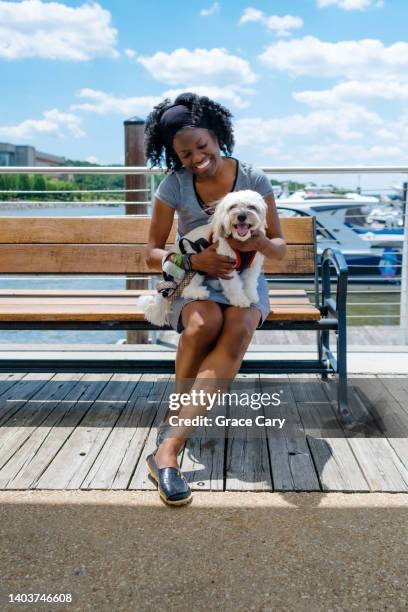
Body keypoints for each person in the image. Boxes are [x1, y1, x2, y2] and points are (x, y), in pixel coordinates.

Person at [144, 92, 287, 506]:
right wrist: (196, 257)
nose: (196, 157)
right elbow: (152, 252)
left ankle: (168, 447)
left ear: (218, 136)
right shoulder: (174, 185)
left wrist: (256, 238)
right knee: (204, 323)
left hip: (246, 277)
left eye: (202, 146)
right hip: (195, 278)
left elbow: (278, 248)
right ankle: (178, 423)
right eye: (185, 153)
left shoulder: (254, 180)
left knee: (238, 326)